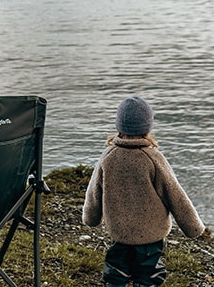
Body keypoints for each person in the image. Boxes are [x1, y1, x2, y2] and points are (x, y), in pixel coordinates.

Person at [82, 95, 205, 287]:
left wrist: (91, 218)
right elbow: (174, 193)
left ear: (119, 126)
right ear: (148, 127)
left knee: (116, 271)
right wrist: (192, 227)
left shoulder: (108, 156)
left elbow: (94, 191)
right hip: (150, 233)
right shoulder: (153, 158)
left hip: (119, 231)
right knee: (148, 274)